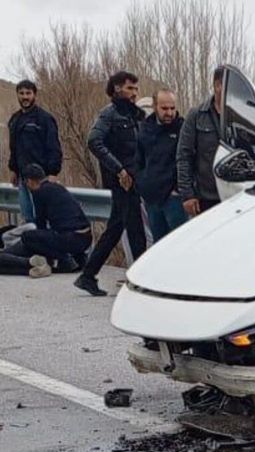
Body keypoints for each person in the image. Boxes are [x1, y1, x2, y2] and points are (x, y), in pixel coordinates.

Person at [74, 71, 146, 297]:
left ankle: (87, 275)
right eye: (130, 88)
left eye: (136, 89)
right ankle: (141, 281)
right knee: (135, 231)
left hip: (135, 179)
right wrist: (119, 170)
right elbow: (94, 141)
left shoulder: (137, 115)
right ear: (116, 88)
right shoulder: (109, 114)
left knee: (116, 228)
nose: (134, 93)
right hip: (122, 181)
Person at [0, 164, 91, 278]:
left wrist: (38, 247)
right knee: (45, 236)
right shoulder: (58, 188)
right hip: (85, 239)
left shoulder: (39, 193)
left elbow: (40, 224)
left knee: (28, 237)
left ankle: (65, 259)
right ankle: (76, 258)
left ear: (30, 181)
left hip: (69, 239)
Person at [7, 80, 63, 223]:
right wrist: (13, 169)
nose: (25, 97)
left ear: (34, 95)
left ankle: (46, 245)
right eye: (21, 93)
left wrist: (53, 173)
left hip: (41, 178)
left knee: (44, 219)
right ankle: (32, 245)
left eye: (28, 93)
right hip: (22, 178)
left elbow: (54, 147)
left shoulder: (44, 119)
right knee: (28, 219)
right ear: (17, 95)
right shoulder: (15, 119)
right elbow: (13, 147)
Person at [135, 89, 187, 242]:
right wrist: (142, 185)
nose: (169, 113)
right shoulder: (145, 129)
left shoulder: (183, 128)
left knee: (179, 244)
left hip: (174, 199)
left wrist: (178, 189)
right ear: (155, 106)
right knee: (159, 246)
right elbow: (138, 161)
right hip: (152, 200)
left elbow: (188, 160)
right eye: (164, 108)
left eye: (172, 108)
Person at [177, 66, 224, 217]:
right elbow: (184, 156)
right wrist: (188, 195)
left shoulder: (241, 117)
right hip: (206, 198)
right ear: (218, 85)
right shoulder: (196, 116)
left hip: (235, 197)